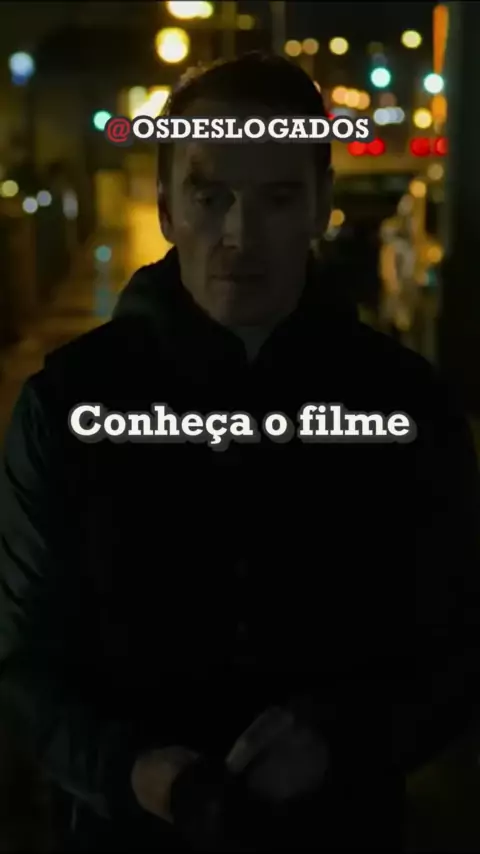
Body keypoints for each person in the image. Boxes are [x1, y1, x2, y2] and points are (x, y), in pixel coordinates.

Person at [0, 52, 479, 852]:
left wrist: (338, 740)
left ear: (321, 203)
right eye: (210, 195)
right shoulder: (66, 406)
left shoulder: (410, 408)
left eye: (278, 198)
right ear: (165, 205)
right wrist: (135, 772)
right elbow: (24, 666)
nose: (240, 235)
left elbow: (456, 648)